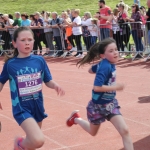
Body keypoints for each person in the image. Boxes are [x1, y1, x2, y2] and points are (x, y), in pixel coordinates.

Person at [0, 27, 65, 150]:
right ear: (14, 43)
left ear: (34, 41)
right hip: (21, 108)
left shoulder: (39, 60)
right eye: (23, 40)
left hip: (38, 106)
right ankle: (19, 143)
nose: (27, 42)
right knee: (38, 140)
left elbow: (47, 80)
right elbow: (1, 81)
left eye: (30, 39)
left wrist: (55, 85)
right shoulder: (10, 64)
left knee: (32, 144)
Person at [66, 38, 134, 150]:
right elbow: (97, 88)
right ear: (103, 55)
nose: (115, 52)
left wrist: (97, 68)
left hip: (111, 104)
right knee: (93, 132)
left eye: (116, 49)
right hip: (97, 107)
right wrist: (115, 87)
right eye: (111, 51)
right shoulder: (105, 67)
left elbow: (90, 70)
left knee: (125, 131)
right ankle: (76, 119)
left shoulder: (107, 63)